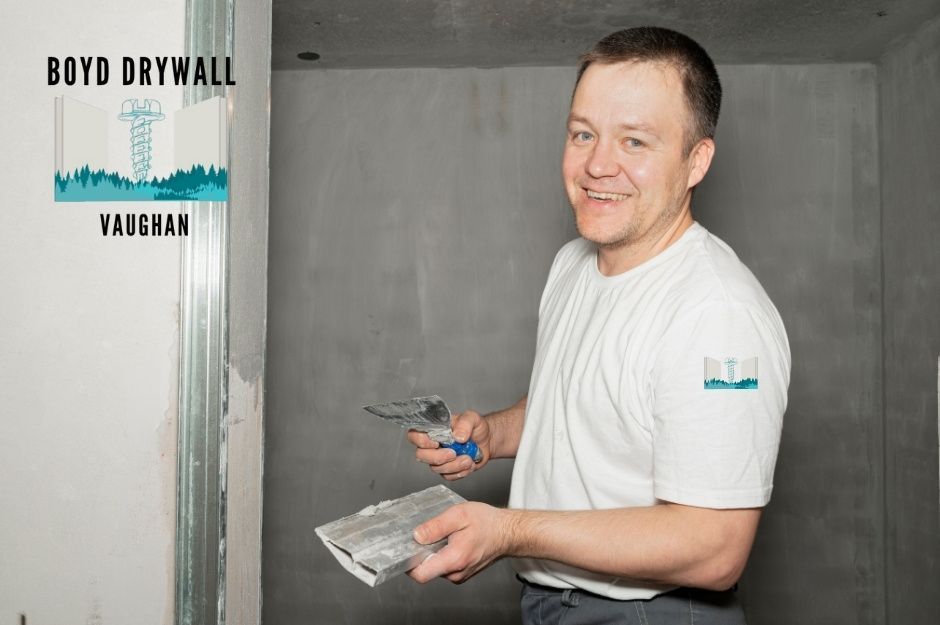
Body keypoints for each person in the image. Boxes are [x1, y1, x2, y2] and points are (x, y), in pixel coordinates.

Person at [406, 26, 790, 624]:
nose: (597, 164)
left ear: (697, 160)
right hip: (550, 602)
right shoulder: (574, 263)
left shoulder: (718, 317)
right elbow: (582, 399)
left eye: (634, 141)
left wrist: (508, 530)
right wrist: (495, 435)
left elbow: (714, 548)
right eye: (583, 133)